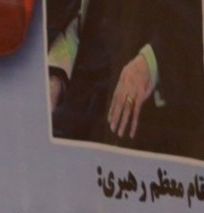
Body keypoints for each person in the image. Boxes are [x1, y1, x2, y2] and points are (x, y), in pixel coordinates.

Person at [47, 0, 203, 160]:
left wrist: (148, 63)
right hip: (76, 103)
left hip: (141, 115)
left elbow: (190, 27)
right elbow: (78, 17)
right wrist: (57, 72)